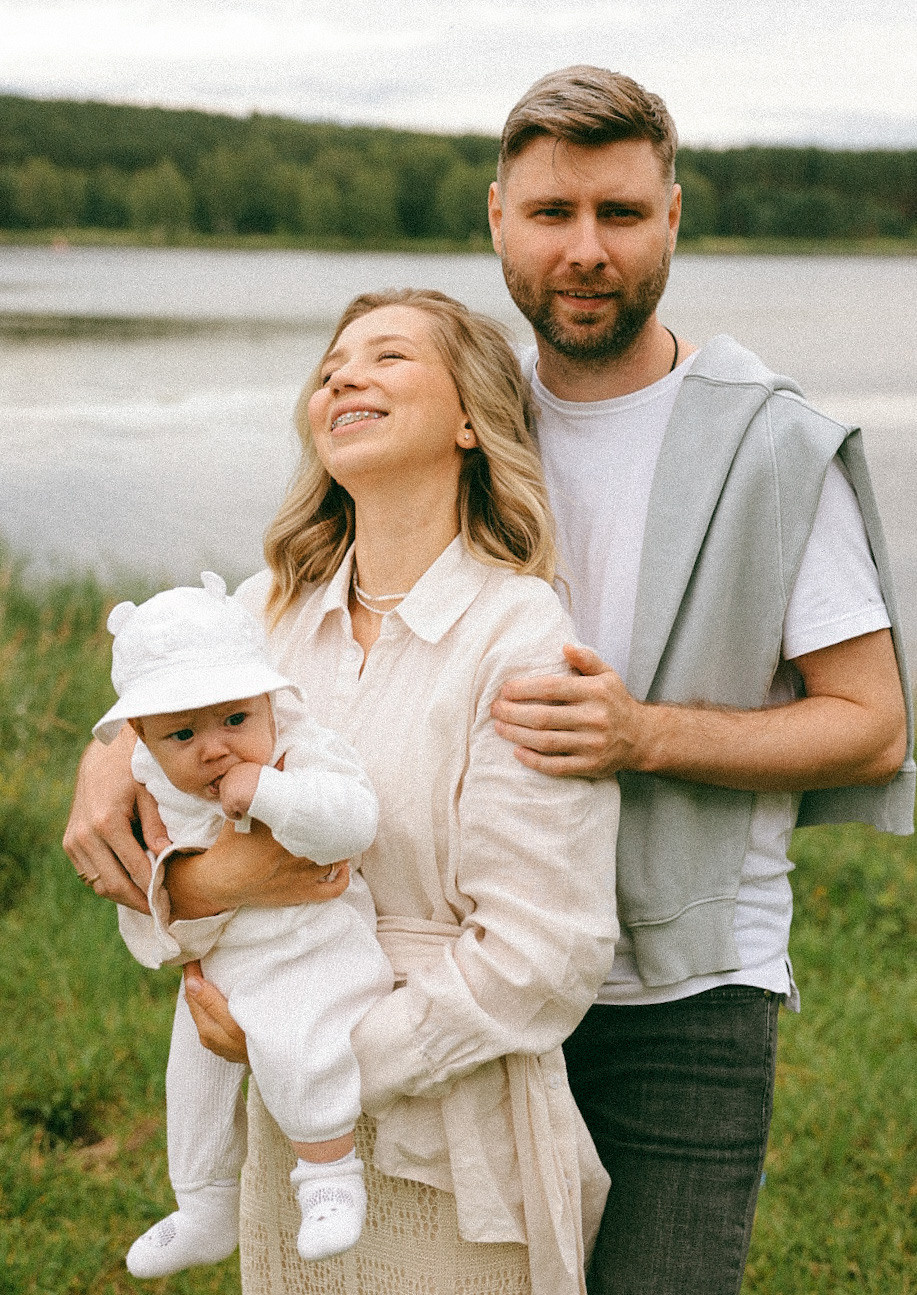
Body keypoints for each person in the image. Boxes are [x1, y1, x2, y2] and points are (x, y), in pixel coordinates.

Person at [64, 288, 621, 1295]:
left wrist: (321, 1055)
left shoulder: (519, 634)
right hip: (282, 1143)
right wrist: (119, 771)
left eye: (388, 357)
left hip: (451, 1145)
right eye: (330, 366)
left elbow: (546, 953)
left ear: (469, 420)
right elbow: (152, 811)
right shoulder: (258, 620)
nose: (343, 375)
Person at [485, 66, 914, 1295]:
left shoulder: (771, 442)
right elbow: (284, 616)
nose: (584, 250)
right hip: (469, 966)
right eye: (551, 213)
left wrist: (640, 733)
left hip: (683, 995)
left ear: (673, 216)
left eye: (619, 214)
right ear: (495, 220)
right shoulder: (454, 414)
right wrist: (112, 742)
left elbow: (869, 727)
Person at [91, 571, 393, 1276]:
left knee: (297, 1043)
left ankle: (328, 1176)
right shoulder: (155, 779)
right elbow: (151, 887)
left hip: (310, 951)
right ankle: (203, 1202)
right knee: (189, 1080)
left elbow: (356, 818)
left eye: (234, 719)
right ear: (141, 738)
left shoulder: (299, 748)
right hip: (220, 963)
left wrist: (275, 795)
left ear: (266, 699)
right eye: (182, 733)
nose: (215, 748)